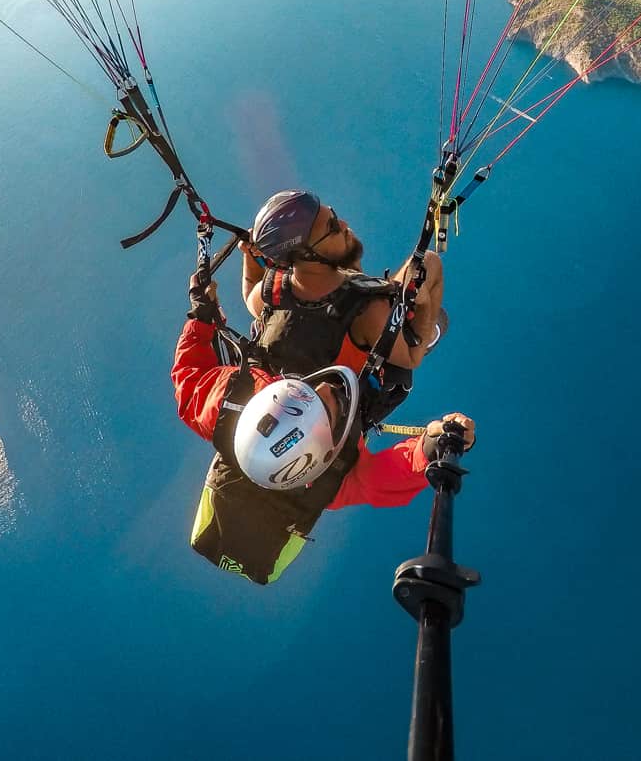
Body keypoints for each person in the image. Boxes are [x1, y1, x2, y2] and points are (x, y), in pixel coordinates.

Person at [173, 274, 474, 585]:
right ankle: (392, 329)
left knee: (288, 331)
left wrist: (201, 316)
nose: (328, 389)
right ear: (326, 449)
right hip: (357, 381)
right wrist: (432, 446)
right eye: (330, 410)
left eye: (311, 394)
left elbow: (189, 377)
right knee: (383, 382)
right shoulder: (329, 479)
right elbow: (387, 478)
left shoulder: (229, 403)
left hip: (286, 361)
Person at [239, 190, 447, 422]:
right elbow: (411, 358)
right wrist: (425, 304)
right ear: (307, 254)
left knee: (354, 283)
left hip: (282, 407)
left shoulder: (271, 293)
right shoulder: (370, 312)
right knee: (429, 262)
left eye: (334, 216)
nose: (344, 224)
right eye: (333, 227)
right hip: (336, 415)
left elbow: (250, 293)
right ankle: (415, 324)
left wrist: (249, 257)